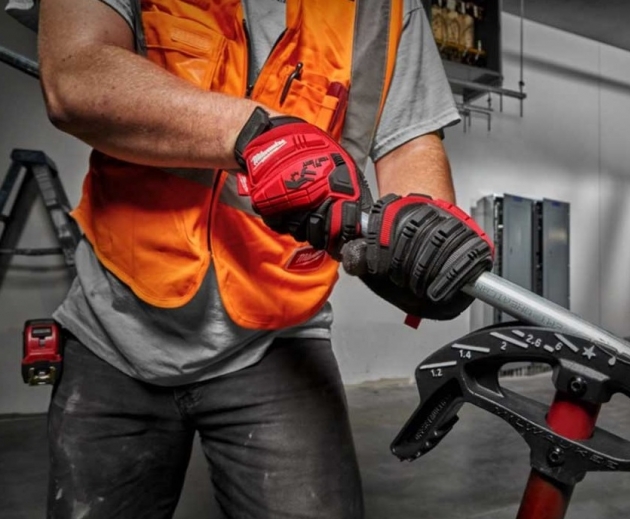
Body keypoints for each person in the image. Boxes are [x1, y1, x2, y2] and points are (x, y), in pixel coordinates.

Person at [8, 0, 494, 517]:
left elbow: (410, 143)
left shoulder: (389, 8)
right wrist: (257, 135)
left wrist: (419, 240)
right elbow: (75, 74)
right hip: (115, 323)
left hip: (280, 333)